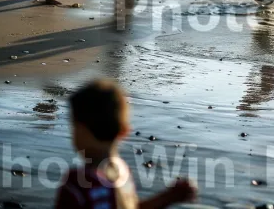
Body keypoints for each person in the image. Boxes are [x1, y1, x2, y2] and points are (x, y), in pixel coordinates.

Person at [55, 79, 198, 208]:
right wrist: (169, 197)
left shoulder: (76, 184)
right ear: (124, 131)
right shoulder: (122, 173)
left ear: (79, 130)